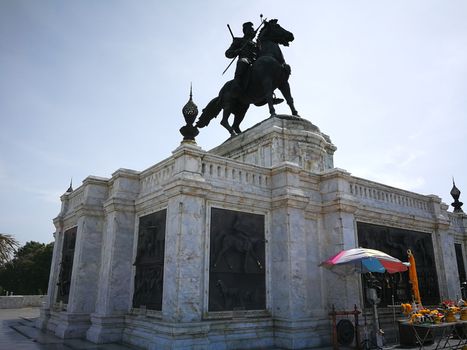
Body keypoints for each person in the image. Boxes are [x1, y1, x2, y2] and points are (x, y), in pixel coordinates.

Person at [225, 22, 258, 96]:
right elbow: (228, 53)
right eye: (251, 29)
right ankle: (236, 85)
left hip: (255, 62)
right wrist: (236, 51)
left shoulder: (256, 44)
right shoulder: (238, 41)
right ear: (245, 31)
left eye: (253, 29)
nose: (253, 30)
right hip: (245, 60)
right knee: (243, 61)